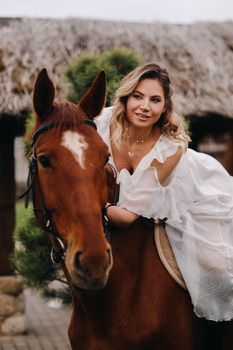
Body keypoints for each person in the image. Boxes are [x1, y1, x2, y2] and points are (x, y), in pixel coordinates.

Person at [95, 63, 233, 323]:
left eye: (155, 100)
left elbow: (125, 217)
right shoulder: (101, 123)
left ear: (165, 107)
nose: (144, 106)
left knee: (218, 269)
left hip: (195, 193)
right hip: (130, 202)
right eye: (137, 96)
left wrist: (91, 203)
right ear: (126, 98)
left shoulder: (170, 148)